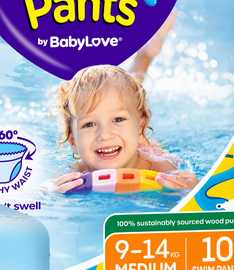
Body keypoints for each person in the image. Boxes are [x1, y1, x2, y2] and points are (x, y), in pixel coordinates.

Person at [46, 10, 198, 193]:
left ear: (141, 129)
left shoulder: (160, 168)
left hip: (143, 147)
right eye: (89, 124)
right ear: (73, 142)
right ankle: (144, 55)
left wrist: (188, 189)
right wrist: (48, 190)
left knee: (129, 94)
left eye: (118, 119)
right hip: (126, 140)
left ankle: (144, 56)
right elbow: (40, 192)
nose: (105, 135)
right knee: (123, 98)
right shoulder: (74, 174)